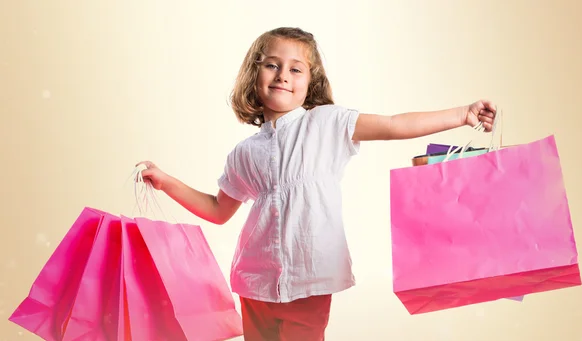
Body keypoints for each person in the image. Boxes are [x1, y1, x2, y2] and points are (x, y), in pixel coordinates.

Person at [137, 27, 496, 341]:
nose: (282, 75)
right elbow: (217, 210)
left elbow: (393, 125)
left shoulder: (326, 124)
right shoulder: (244, 153)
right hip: (255, 281)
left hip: (309, 278)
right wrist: (167, 182)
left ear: (310, 83)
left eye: (296, 69)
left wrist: (462, 115)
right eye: (272, 65)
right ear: (254, 74)